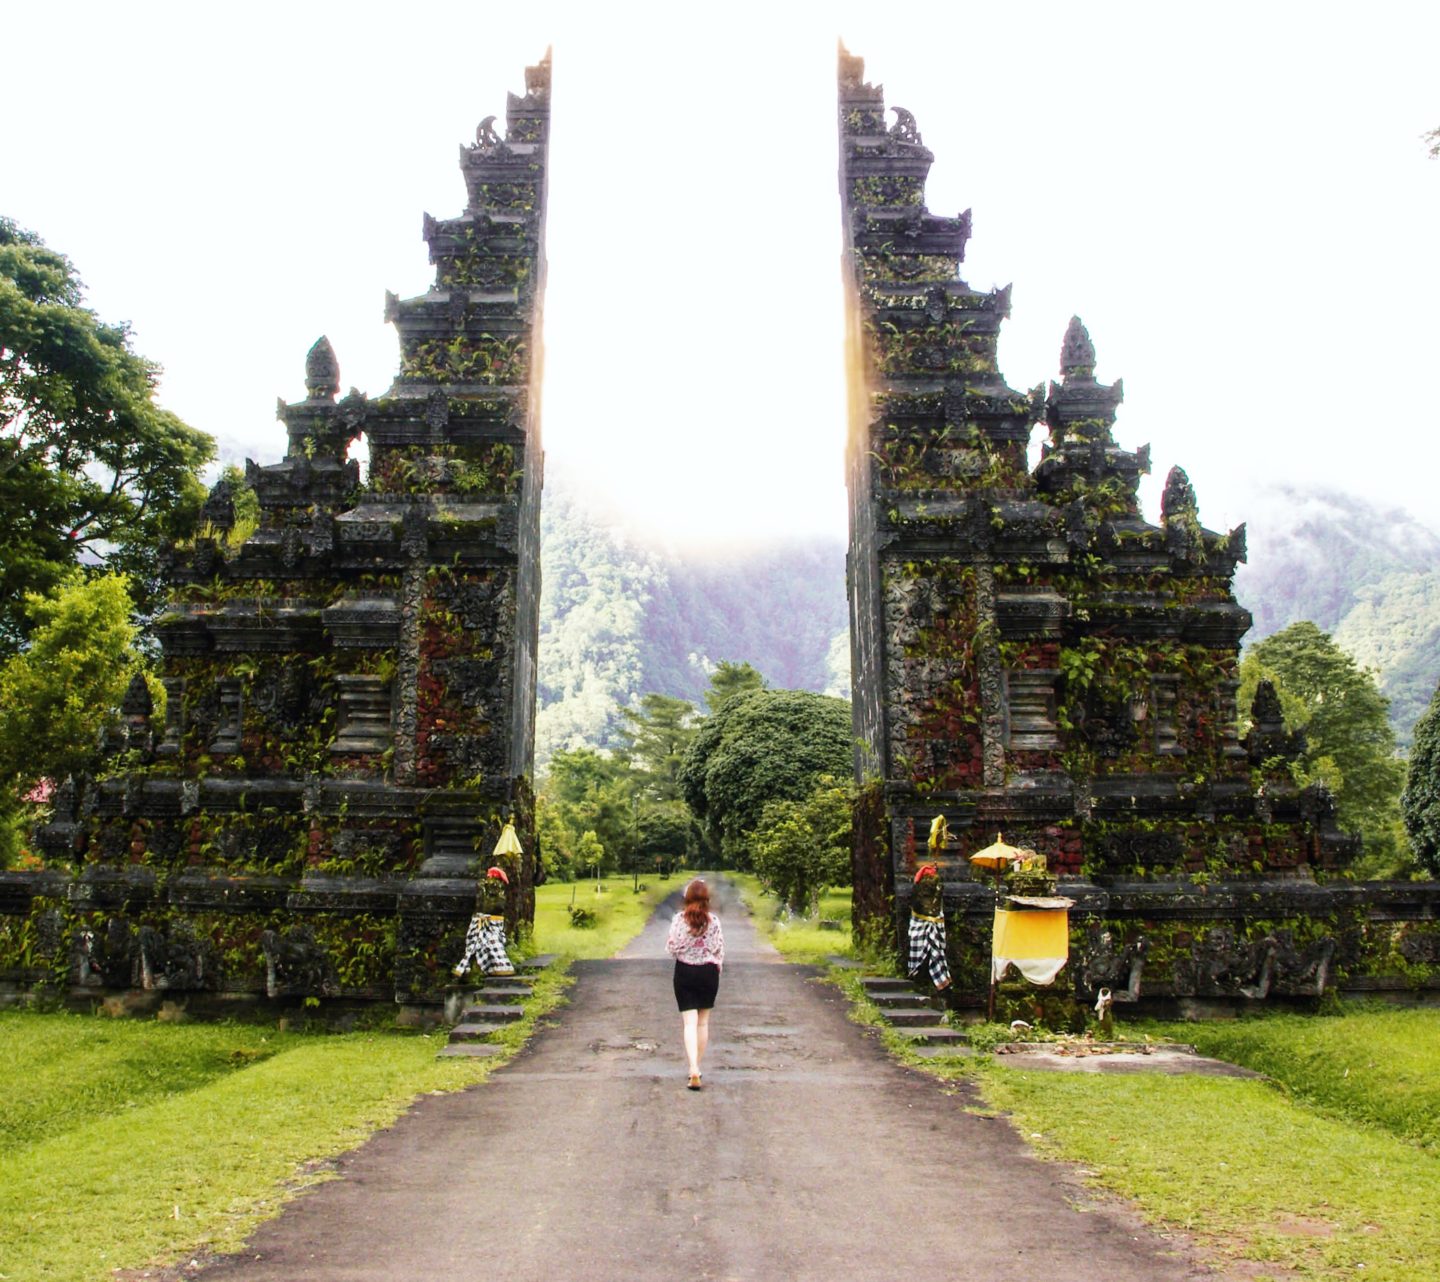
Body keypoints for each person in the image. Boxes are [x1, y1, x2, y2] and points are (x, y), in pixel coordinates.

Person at [666, 877, 724, 1090]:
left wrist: (688, 946)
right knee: (703, 1023)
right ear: (707, 899)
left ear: (687, 898)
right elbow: (717, 948)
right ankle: (697, 1067)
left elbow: (672, 947)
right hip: (708, 973)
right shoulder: (714, 921)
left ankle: (692, 1068)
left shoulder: (679, 920)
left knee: (689, 1023)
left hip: (685, 972)